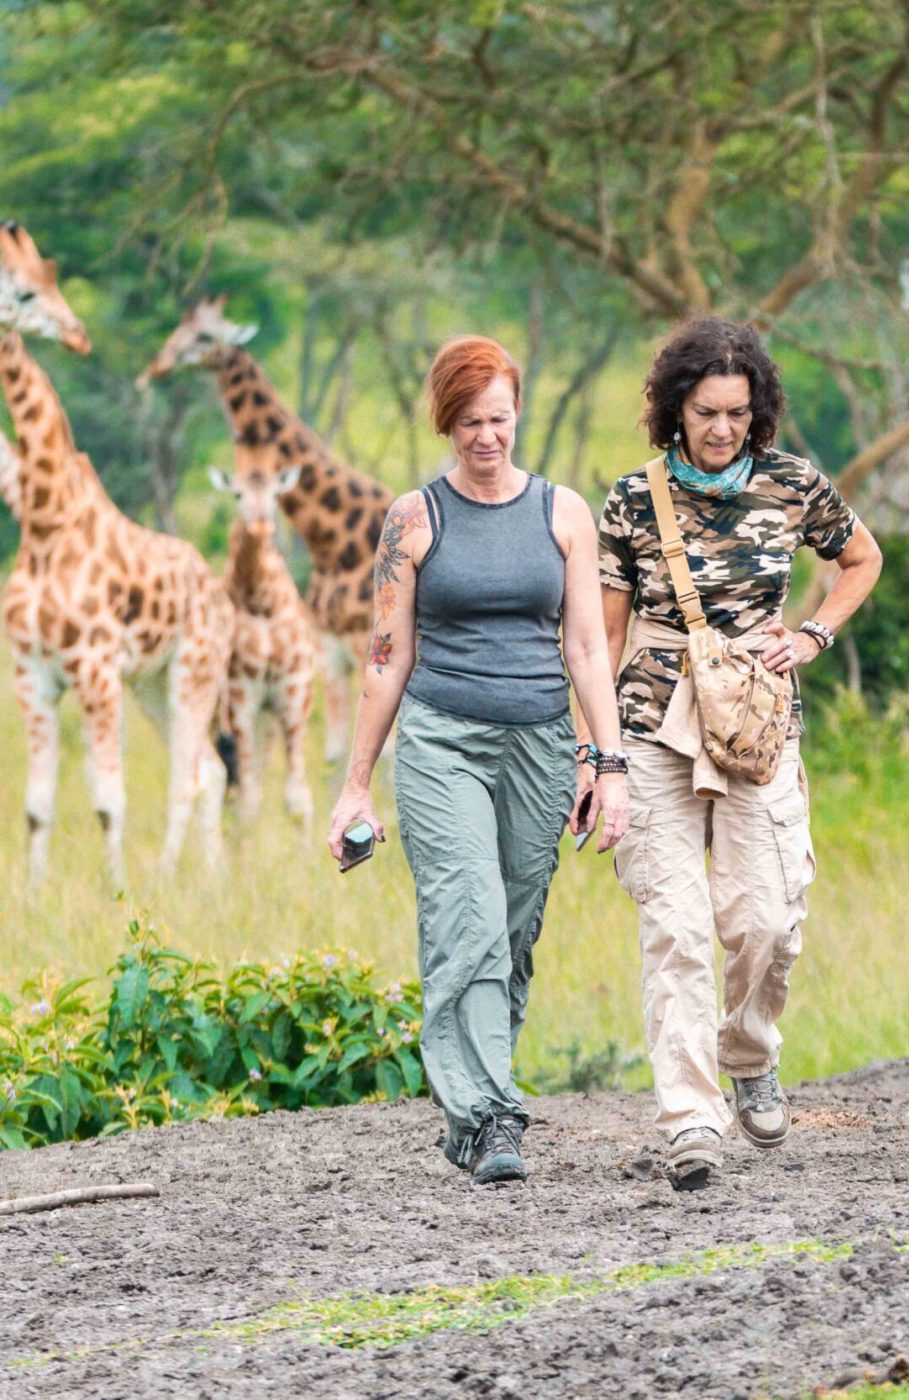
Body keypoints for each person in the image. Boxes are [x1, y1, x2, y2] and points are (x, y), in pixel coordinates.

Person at [578, 316, 882, 1189]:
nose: (721, 430)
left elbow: (862, 559)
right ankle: (690, 1120)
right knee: (675, 928)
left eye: (738, 414)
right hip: (652, 725)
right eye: (706, 413)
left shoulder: (792, 484)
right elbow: (597, 640)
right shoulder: (632, 501)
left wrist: (816, 633)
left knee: (767, 921)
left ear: (759, 412)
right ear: (676, 410)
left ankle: (748, 1054)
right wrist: (595, 755)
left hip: (755, 724)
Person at [328, 335, 630, 1186]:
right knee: (467, 917)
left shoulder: (564, 513)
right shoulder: (414, 519)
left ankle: (467, 1106)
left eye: (498, 418)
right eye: (468, 422)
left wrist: (607, 765)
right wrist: (355, 786)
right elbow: (387, 657)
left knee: (513, 929)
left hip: (538, 742)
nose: (486, 436)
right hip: (441, 743)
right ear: (445, 422)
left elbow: (585, 648)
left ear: (517, 414)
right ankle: (494, 1113)